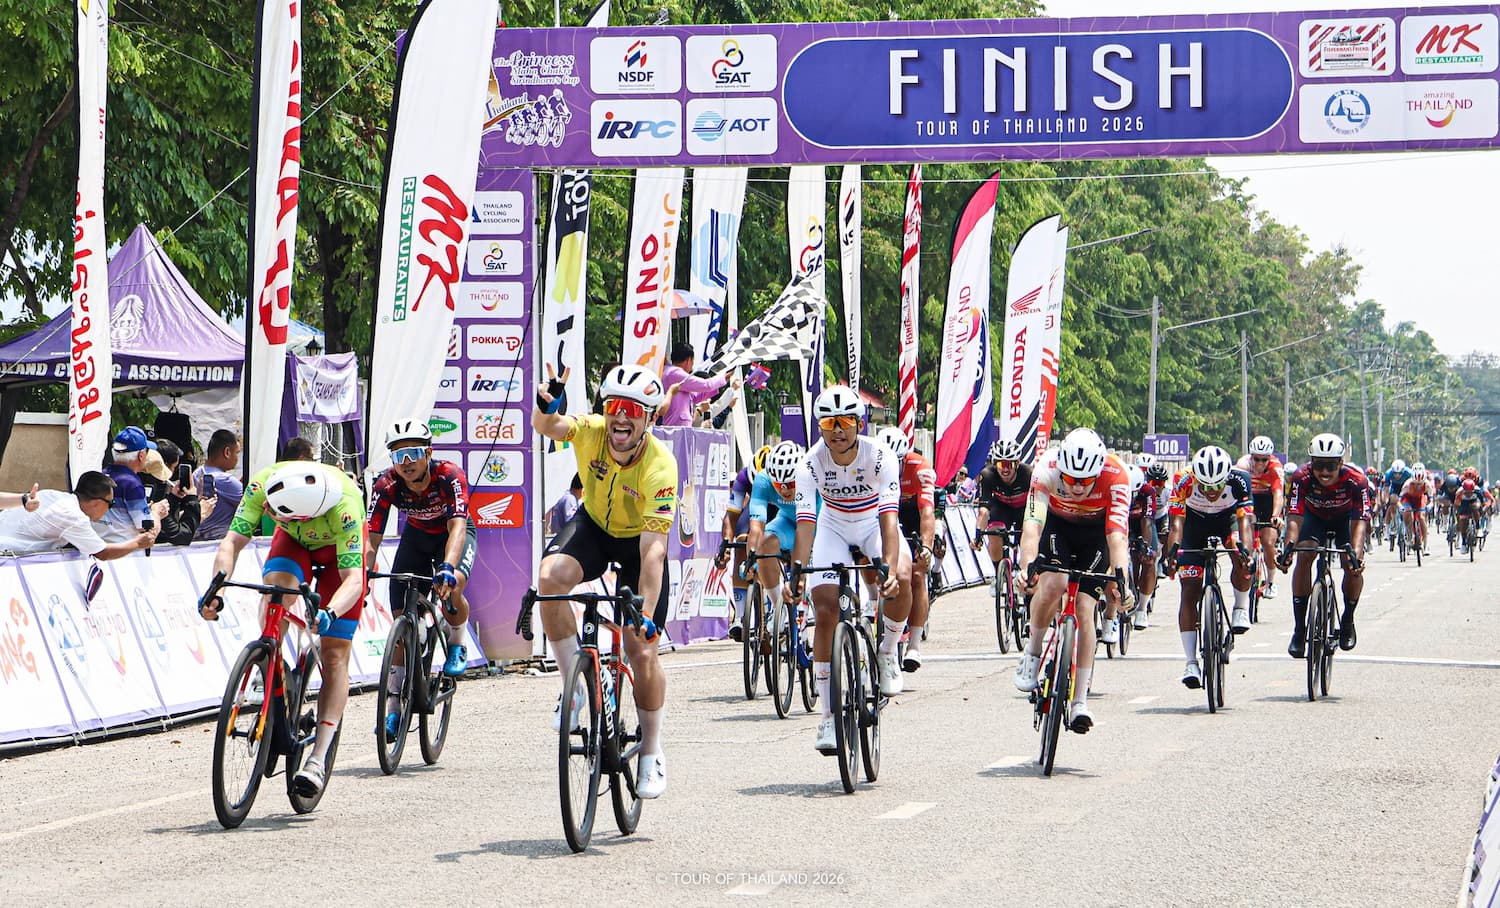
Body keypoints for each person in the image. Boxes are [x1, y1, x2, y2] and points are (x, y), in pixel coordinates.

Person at [533, 365, 676, 799]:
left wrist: (646, 615)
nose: (621, 418)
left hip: (638, 544)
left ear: (648, 420)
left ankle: (651, 750)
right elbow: (549, 425)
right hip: (594, 527)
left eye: (633, 410)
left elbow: (653, 551)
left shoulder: (660, 467)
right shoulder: (592, 431)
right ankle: (575, 687)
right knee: (548, 579)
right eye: (615, 406)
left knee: (640, 648)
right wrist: (546, 402)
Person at [199, 459, 369, 797]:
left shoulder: (346, 508)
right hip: (293, 541)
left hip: (338, 553)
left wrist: (331, 613)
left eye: (278, 516)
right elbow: (230, 543)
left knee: (335, 655)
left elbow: (354, 580)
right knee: (278, 589)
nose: (269, 516)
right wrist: (216, 589)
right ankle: (270, 658)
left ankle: (318, 757)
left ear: (304, 515)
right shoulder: (263, 485)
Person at [785, 385, 912, 754]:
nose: (837, 430)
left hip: (872, 523)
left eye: (845, 422)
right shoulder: (809, 464)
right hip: (833, 527)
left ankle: (888, 652)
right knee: (825, 609)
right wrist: (798, 573)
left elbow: (889, 519)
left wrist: (887, 566)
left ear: (860, 423)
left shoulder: (880, 457)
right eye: (828, 422)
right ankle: (827, 716)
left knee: (902, 576)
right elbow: (806, 524)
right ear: (820, 427)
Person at [1012, 428, 1134, 734]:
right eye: (1071, 480)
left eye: (1085, 481)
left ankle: (1080, 701)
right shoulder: (1046, 468)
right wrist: (1026, 567)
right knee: (1052, 585)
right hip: (1058, 528)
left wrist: (1122, 581)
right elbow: (1032, 525)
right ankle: (1033, 650)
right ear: (1061, 470)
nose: (1078, 488)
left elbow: (1117, 537)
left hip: (1096, 536)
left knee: (1084, 607)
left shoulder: (1117, 476)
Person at [367, 418, 477, 702]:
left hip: (451, 535)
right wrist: (364, 573)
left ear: (428, 453)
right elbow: (372, 537)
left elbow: (457, 528)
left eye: (413, 453)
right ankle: (392, 703)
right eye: (398, 456)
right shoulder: (386, 484)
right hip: (416, 536)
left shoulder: (449, 475)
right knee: (400, 616)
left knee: (452, 586)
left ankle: (457, 641)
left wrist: (448, 568)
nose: (406, 462)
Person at [1162, 445, 1255, 689]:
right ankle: (1191, 662)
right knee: (1189, 590)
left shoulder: (1240, 479)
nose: (1211, 491)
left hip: (1228, 522)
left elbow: (1245, 522)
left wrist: (1248, 552)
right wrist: (1172, 554)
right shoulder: (1183, 479)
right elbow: (1176, 526)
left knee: (1240, 554)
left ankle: (1241, 607)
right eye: (1205, 486)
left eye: (1216, 486)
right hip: (1193, 525)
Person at [1278, 433, 1370, 656]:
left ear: (1340, 462)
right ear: (1312, 462)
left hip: (1345, 520)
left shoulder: (1357, 480)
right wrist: (1288, 548)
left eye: (1330, 465)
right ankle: (1300, 630)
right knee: (1305, 554)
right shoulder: (1301, 477)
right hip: (1313, 518)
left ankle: (1348, 619)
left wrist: (1356, 554)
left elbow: (1360, 523)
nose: (1325, 472)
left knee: (1351, 564)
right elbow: (1294, 517)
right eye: (1319, 465)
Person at [876, 426, 937, 671]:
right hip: (883, 515)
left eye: (897, 461)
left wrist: (927, 547)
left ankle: (913, 645)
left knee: (917, 574)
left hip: (912, 515)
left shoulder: (920, 467)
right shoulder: (870, 465)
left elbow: (927, 512)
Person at [0, 472, 152, 559]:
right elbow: (102, 552)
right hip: (6, 558)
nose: (109, 510)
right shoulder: (74, 517)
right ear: (97, 502)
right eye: (110, 504)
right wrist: (137, 543)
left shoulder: (52, 494)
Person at [743, 441, 810, 632]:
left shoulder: (812, 477)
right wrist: (751, 558)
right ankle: (778, 609)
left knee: (806, 571)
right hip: (788, 521)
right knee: (764, 546)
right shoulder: (763, 480)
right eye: (778, 484)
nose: (784, 489)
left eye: (790, 483)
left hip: (818, 523)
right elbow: (756, 525)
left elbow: (807, 531)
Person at [973, 438, 1032, 595]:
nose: (1005, 470)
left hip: (1023, 509)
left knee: (1028, 537)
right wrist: (978, 534)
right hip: (1002, 507)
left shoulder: (1028, 474)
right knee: (994, 534)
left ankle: (1025, 573)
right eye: (1000, 464)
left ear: (1017, 464)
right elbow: (984, 511)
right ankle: (999, 574)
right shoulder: (988, 475)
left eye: (1009, 464)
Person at [1235, 435, 1285, 600]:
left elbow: (1278, 494)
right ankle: (1246, 568)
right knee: (1245, 538)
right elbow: (1236, 494)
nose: (1260, 464)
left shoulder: (1276, 468)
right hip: (1249, 499)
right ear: (1251, 457)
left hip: (1268, 501)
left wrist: (1276, 516)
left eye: (1264, 459)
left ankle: (1270, 582)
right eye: (1256, 459)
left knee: (1268, 541)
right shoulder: (1242, 465)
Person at [98, 426, 165, 543]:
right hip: (122, 551)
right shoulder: (132, 484)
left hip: (97, 549)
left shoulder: (100, 476)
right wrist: (156, 513)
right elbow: (147, 529)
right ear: (141, 456)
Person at [145, 440, 208, 546]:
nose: (172, 473)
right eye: (173, 467)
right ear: (162, 466)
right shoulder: (154, 497)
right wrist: (193, 502)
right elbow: (181, 536)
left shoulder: (139, 487)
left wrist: (173, 499)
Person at [658, 342, 736, 428]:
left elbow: (694, 397)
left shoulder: (670, 373)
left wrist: (719, 384)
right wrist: (722, 378)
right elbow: (706, 385)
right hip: (677, 426)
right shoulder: (675, 373)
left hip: (678, 425)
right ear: (689, 360)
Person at [193, 429, 243, 541]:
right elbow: (253, 504)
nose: (237, 458)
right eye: (237, 453)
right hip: (219, 541)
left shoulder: (198, 472)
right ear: (227, 452)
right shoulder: (226, 480)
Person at [1398, 463, 1432, 555]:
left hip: (1420, 499)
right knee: (1408, 513)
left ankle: (1426, 544)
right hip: (1408, 499)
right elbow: (1399, 499)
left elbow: (1431, 499)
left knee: (1421, 517)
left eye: (1420, 484)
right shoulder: (1407, 485)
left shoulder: (1427, 485)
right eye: (1416, 484)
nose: (1418, 486)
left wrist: (1429, 505)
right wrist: (1401, 507)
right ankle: (1409, 534)